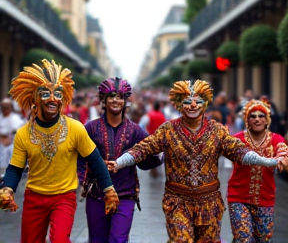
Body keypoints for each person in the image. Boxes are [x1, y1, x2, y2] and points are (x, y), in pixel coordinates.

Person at [106, 79, 284, 243]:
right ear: (179, 105)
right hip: (177, 201)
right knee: (181, 240)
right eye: (187, 102)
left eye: (197, 101)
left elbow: (237, 150)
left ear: (204, 104)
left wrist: (267, 161)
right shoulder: (168, 130)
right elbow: (143, 148)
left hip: (209, 203)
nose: (192, 105)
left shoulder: (217, 130)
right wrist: (119, 162)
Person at [0, 59, 119, 243]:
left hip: (64, 198)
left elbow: (95, 161)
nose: (53, 98)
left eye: (58, 93)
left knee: (59, 240)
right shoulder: (24, 133)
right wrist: (8, 189)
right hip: (34, 198)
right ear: (35, 98)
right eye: (46, 93)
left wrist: (109, 190)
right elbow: (15, 168)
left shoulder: (75, 128)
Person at [78, 77, 163, 243]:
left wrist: (162, 153)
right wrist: (82, 177)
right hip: (96, 195)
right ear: (104, 100)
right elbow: (79, 156)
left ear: (125, 101)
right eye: (111, 96)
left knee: (118, 239)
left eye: (120, 97)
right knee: (97, 240)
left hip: (125, 195)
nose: (116, 100)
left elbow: (147, 156)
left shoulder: (135, 130)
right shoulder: (91, 128)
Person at [227, 99, 288, 242]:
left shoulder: (276, 139)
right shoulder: (237, 139)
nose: (257, 119)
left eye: (261, 116)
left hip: (265, 198)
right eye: (252, 116)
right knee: (243, 238)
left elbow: (283, 156)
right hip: (238, 197)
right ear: (247, 120)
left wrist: (282, 161)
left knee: (264, 239)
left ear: (267, 120)